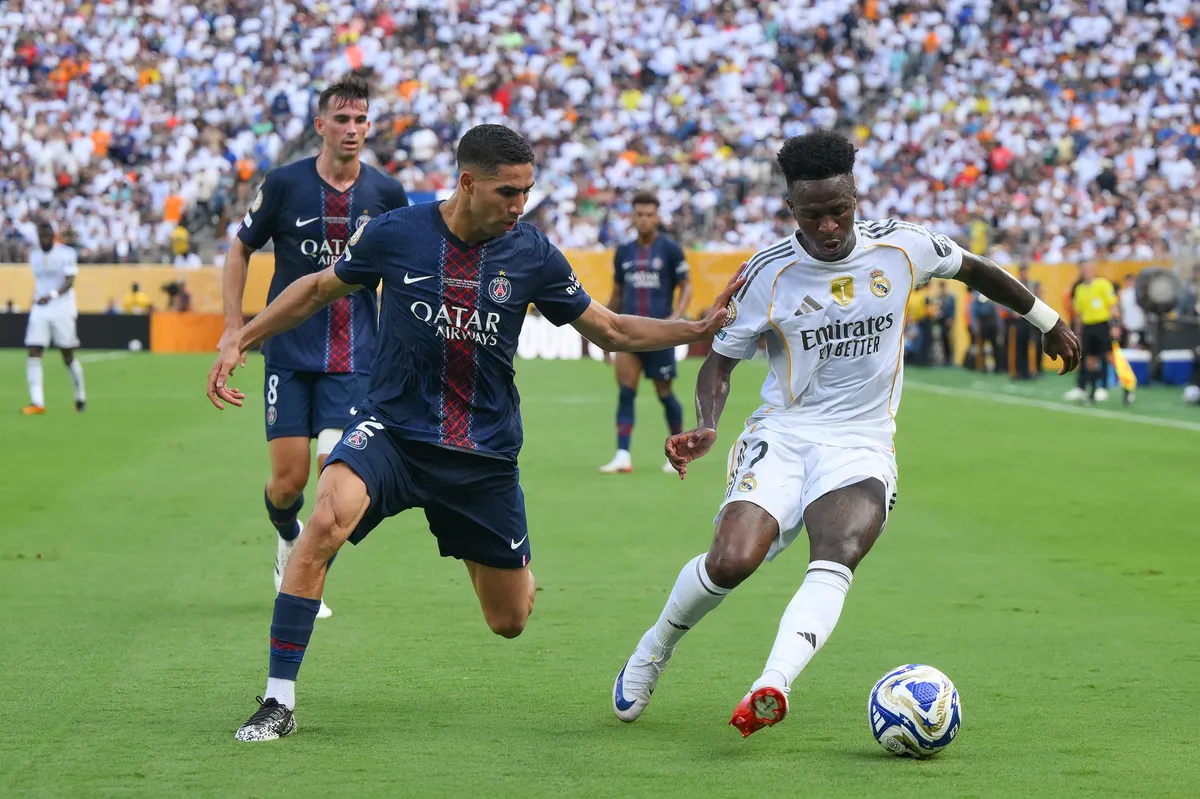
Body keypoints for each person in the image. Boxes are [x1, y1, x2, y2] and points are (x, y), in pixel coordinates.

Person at [206, 123, 744, 742]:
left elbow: (613, 329)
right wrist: (240, 337)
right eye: (508, 193)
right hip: (393, 433)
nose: (519, 206)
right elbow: (317, 290)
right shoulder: (396, 233)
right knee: (325, 518)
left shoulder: (533, 253)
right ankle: (278, 700)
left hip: (482, 455)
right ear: (467, 182)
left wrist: (697, 327)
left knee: (509, 619)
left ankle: (478, 543)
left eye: (526, 193)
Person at [610, 129, 1080, 738]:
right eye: (814, 214)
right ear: (791, 211)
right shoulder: (768, 274)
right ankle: (654, 648)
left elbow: (976, 269)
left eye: (840, 210)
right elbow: (721, 361)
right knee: (729, 563)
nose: (829, 225)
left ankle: (771, 684)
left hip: (861, 441)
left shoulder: (902, 246)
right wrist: (706, 423)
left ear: (856, 197)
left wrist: (1045, 320)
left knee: (836, 555)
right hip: (783, 433)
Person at [219, 74, 410, 620]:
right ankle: (287, 538)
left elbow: (398, 276)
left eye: (360, 120)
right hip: (288, 354)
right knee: (288, 484)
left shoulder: (386, 194)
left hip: (354, 360)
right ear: (320, 125)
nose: (352, 130)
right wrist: (235, 328)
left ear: (369, 127)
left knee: (334, 480)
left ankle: (306, 579)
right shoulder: (283, 184)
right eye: (342, 120)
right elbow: (239, 251)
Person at [599, 191, 692, 474]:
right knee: (626, 392)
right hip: (628, 334)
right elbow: (616, 294)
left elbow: (686, 285)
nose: (644, 219)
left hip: (659, 334)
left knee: (665, 393)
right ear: (632, 216)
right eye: (639, 214)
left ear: (657, 216)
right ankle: (622, 455)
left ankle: (680, 452)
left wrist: (676, 317)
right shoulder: (623, 252)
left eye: (649, 214)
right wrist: (603, 329)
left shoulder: (670, 250)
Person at [22, 219, 86, 415]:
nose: (43, 240)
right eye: (40, 236)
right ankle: (37, 402)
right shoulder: (34, 256)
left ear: (53, 236)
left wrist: (51, 295)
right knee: (34, 351)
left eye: (46, 235)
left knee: (67, 354)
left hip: (62, 308)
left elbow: (70, 282)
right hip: (40, 309)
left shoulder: (66, 253)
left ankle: (80, 396)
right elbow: (40, 281)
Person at [1065, 261, 1118, 403]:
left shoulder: (1103, 284)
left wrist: (1115, 325)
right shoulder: (1080, 289)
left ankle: (1103, 387)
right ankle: (1084, 387)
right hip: (1088, 326)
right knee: (1088, 358)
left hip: (1102, 324)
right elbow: (1078, 313)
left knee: (1104, 356)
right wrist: (1077, 332)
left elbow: (1112, 305)